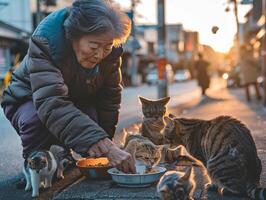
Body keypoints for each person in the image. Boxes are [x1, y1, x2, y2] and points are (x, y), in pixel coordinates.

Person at [1, 0, 136, 173]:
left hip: (72, 99)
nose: (100, 55)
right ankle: (35, 164)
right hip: (28, 99)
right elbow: (51, 103)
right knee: (35, 120)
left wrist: (103, 145)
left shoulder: (111, 52)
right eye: (94, 47)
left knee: (92, 118)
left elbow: (109, 98)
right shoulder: (46, 41)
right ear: (73, 36)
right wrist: (104, 146)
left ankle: (63, 156)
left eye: (107, 47)